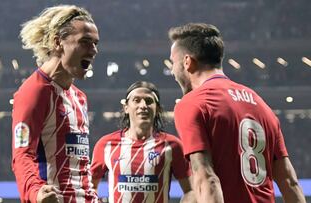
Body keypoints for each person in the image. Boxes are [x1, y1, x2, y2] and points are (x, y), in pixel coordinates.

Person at [168, 23, 306, 203]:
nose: (172, 70)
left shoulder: (194, 103)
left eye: (173, 62)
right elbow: (290, 182)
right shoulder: (260, 104)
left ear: (187, 62)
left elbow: (206, 179)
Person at [11, 5, 99, 203]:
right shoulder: (34, 91)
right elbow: (22, 154)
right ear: (58, 42)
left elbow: (78, 165)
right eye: (85, 42)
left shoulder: (80, 97)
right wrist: (36, 192)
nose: (94, 50)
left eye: (95, 43)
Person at [90, 81, 195, 203]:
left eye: (149, 101)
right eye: (136, 100)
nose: (143, 105)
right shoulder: (106, 145)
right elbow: (89, 187)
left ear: (157, 109)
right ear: (126, 108)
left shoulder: (172, 145)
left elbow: (191, 191)